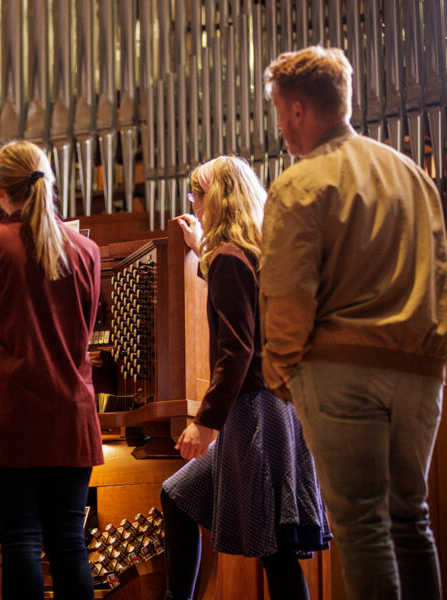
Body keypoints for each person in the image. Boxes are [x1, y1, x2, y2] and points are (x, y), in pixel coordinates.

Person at [261, 46, 447, 600]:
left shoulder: (301, 182)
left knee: (363, 526)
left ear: (298, 109)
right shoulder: (410, 174)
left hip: (341, 373)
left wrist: (279, 370)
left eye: (276, 110)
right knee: (411, 520)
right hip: (420, 370)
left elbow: (289, 297)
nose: (277, 126)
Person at [162, 156, 331, 600]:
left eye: (195, 195)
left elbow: (236, 350)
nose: (193, 204)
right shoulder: (254, 253)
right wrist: (201, 253)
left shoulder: (229, 261)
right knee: (178, 496)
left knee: (276, 551)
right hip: (273, 407)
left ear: (216, 197)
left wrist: (204, 421)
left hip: (256, 413)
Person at [0, 140, 104, 600]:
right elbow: (85, 328)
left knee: (19, 541)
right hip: (69, 413)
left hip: (6, 416)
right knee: (70, 543)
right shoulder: (86, 249)